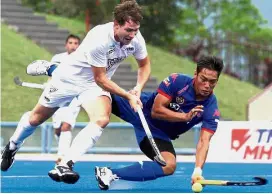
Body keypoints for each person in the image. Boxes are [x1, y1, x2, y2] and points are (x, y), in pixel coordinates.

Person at [1, 0, 150, 184]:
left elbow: (144, 64)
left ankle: (65, 164)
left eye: (135, 30)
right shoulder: (100, 39)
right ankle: (12, 146)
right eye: (128, 30)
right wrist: (127, 96)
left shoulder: (136, 39)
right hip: (69, 79)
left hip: (92, 87)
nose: (132, 35)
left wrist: (138, 88)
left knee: (101, 119)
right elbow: (101, 78)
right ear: (116, 24)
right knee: (35, 119)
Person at [93, 56, 224, 190]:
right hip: (139, 109)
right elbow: (156, 110)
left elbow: (204, 141)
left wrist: (197, 171)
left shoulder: (211, 108)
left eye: (212, 82)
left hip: (156, 133)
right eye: (203, 79)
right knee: (97, 90)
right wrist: (184, 117)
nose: (207, 85)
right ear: (195, 74)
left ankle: (109, 173)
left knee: (168, 165)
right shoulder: (177, 81)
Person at [27, 34, 81, 164]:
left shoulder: (82, 59)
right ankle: (63, 148)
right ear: (66, 44)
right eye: (71, 43)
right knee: (58, 129)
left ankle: (62, 157)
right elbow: (52, 76)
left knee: (66, 126)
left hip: (74, 98)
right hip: (58, 96)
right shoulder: (57, 58)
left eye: (76, 43)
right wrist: (49, 85)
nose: (73, 46)